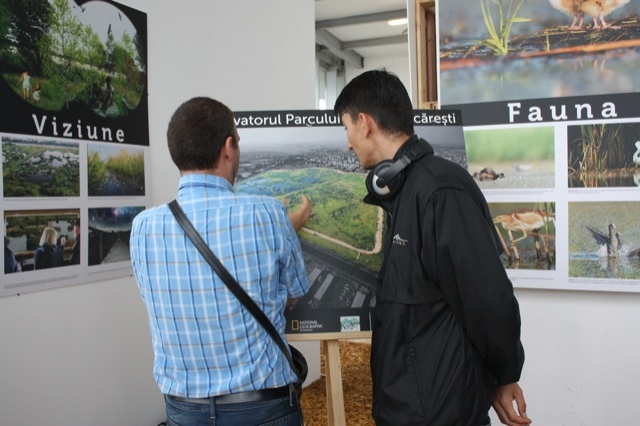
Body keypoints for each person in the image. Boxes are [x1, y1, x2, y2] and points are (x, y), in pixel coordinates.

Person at [334, 70, 530, 426]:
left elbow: (487, 298)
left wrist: (505, 375)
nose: (347, 142)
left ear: (364, 124)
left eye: (346, 127)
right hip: (415, 406)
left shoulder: (440, 192)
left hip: (440, 411)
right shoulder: (406, 190)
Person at [130, 97, 311, 426]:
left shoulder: (142, 227)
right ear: (228, 147)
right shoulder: (269, 213)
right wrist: (284, 230)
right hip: (263, 405)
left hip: (184, 410)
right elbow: (295, 293)